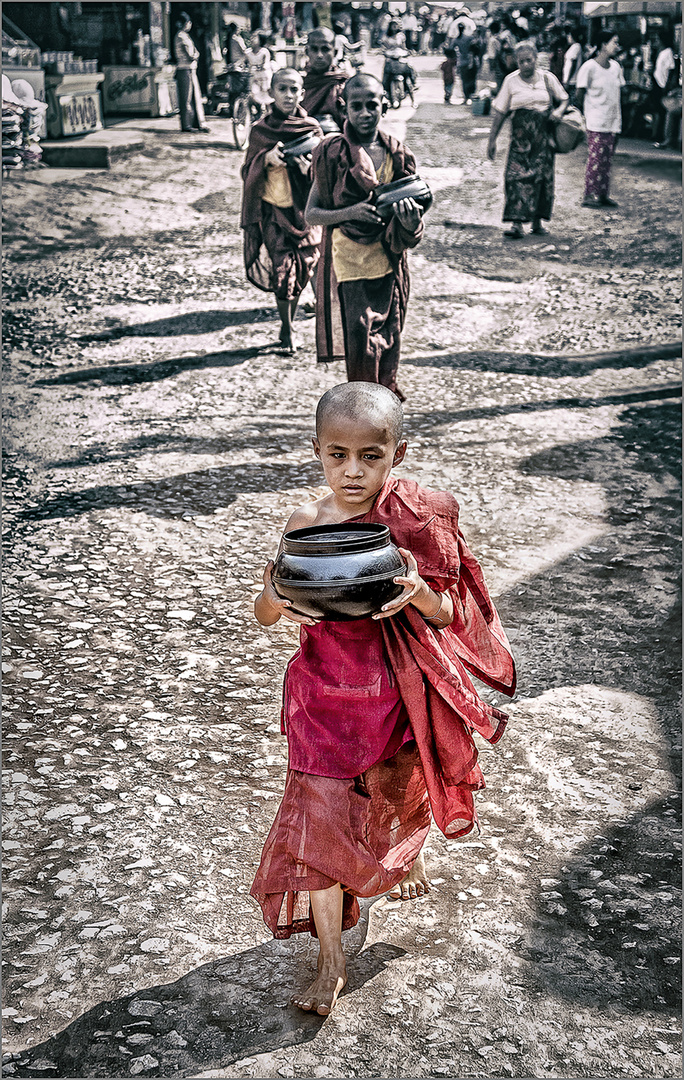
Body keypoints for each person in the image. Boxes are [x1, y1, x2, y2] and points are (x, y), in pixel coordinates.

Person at [251, 381, 516, 1015]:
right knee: (320, 822)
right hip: (323, 696)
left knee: (401, 787)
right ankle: (331, 962)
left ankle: (408, 854)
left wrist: (417, 592)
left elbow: (449, 612)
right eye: (337, 454)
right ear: (316, 450)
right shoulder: (306, 525)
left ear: (397, 453)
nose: (353, 471)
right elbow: (265, 607)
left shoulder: (418, 522)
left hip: (397, 687)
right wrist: (279, 605)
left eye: (371, 455)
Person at [305, 74, 424, 400]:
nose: (365, 113)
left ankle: (383, 407)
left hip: (387, 260)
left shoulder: (397, 154)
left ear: (383, 105)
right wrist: (350, 213)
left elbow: (411, 227)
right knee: (361, 346)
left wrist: (410, 221)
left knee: (388, 339)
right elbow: (311, 214)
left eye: (372, 105)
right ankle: (363, 411)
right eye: (356, 106)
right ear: (344, 109)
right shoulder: (332, 154)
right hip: (349, 264)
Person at [240, 68, 323, 353]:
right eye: (283, 89)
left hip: (304, 214)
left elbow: (325, 175)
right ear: (272, 92)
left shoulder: (311, 128)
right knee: (282, 271)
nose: (289, 95)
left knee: (303, 270)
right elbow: (246, 171)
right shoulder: (261, 131)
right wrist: (265, 158)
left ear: (302, 92)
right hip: (274, 211)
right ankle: (287, 328)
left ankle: (289, 321)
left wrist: (309, 168)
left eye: (294, 89)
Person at [487, 41, 569, 239]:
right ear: (516, 61)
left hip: (543, 140)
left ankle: (537, 222)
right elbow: (500, 112)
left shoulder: (547, 79)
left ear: (535, 60)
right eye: (521, 61)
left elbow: (564, 99)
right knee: (514, 178)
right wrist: (492, 140)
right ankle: (516, 224)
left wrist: (558, 111)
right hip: (520, 141)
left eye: (529, 61)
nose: (525, 65)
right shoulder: (510, 81)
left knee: (542, 179)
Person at [576, 31, 625, 209]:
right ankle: (589, 194)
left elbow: (619, 92)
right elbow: (579, 93)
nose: (617, 46)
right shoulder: (589, 67)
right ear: (603, 44)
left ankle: (602, 194)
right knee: (595, 159)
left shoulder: (616, 67)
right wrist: (584, 114)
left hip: (613, 121)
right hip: (595, 121)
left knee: (607, 160)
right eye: (614, 42)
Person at [301, 27, 347, 129]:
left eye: (325, 49)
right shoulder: (299, 85)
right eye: (314, 49)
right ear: (307, 52)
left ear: (335, 52)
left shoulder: (342, 85)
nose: (319, 55)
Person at [173, 13, 210, 133]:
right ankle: (186, 125)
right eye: (188, 23)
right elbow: (190, 55)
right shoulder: (181, 36)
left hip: (190, 69)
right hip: (185, 69)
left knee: (194, 97)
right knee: (186, 99)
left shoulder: (184, 36)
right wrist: (195, 55)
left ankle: (195, 123)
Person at [649, 29, 677, 144]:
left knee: (661, 110)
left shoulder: (668, 52)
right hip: (657, 81)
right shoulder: (660, 52)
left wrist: (668, 85)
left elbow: (671, 69)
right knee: (656, 108)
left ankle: (659, 134)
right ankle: (656, 133)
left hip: (662, 83)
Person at [379, 19, 417, 101]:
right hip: (390, 58)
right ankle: (384, 90)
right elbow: (383, 47)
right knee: (386, 75)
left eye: (396, 25)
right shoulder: (386, 36)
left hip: (400, 57)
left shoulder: (401, 36)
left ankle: (413, 86)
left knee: (410, 69)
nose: (395, 27)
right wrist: (384, 52)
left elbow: (404, 47)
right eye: (393, 25)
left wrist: (408, 52)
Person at [245, 31, 274, 116]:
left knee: (267, 98)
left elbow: (266, 63)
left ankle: (270, 115)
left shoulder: (264, 52)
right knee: (253, 95)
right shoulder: (248, 52)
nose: (252, 39)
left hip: (264, 77)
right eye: (252, 37)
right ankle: (256, 115)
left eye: (255, 37)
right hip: (254, 77)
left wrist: (262, 66)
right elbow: (242, 62)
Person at [562, 25, 584, 105]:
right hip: (570, 80)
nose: (568, 37)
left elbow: (573, 64)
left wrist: (567, 80)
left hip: (572, 81)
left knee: (571, 103)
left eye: (569, 35)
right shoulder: (574, 47)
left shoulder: (576, 47)